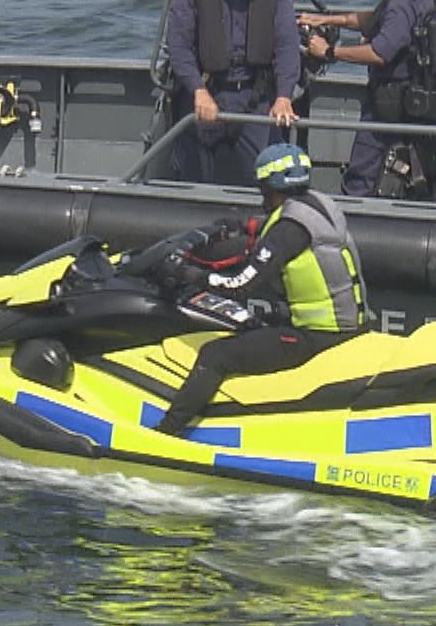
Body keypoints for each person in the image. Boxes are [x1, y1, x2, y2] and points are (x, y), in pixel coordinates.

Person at [155, 143, 368, 435]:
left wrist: (185, 272)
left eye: (263, 190)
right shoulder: (317, 206)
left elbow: (239, 286)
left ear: (272, 186)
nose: (262, 196)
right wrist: (235, 226)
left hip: (318, 337)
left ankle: (168, 431)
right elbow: (266, 231)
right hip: (345, 328)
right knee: (252, 326)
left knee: (215, 354)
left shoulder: (288, 231)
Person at [300, 0, 436, 197]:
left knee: (361, 176)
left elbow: (379, 52)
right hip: (410, 102)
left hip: (390, 105)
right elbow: (378, 18)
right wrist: (327, 20)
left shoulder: (404, 1)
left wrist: (330, 52)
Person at [162, 0, 303, 186]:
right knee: (194, 176)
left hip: (255, 96)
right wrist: (198, 91)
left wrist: (284, 95)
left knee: (270, 176)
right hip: (205, 93)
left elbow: (288, 44)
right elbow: (179, 45)